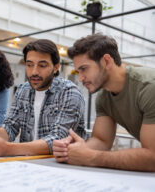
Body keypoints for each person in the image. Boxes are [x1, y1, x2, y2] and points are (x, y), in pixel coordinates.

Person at [53, 33, 155, 172]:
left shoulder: (149, 87)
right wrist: (72, 150)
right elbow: (102, 140)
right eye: (78, 71)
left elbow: (152, 158)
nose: (81, 78)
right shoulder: (103, 96)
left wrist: (91, 157)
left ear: (107, 61)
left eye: (84, 68)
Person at [0, 39, 85, 157]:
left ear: (56, 68)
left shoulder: (69, 92)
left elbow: (58, 139)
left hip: (61, 164)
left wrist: (8, 148)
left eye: (42, 65)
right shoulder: (23, 90)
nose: (34, 72)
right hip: (28, 163)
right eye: (29, 65)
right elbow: (11, 127)